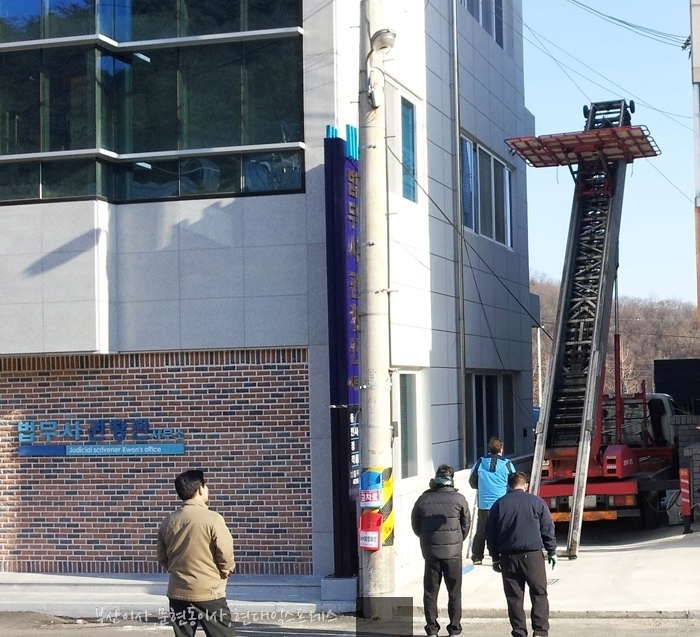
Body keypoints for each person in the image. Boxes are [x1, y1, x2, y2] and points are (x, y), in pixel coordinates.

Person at [157, 469, 237, 637]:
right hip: (208, 591)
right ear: (200, 488)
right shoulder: (213, 519)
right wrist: (226, 570)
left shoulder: (168, 521)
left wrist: (175, 571)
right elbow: (225, 552)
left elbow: (162, 557)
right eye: (206, 486)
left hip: (177, 591)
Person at [486, 472, 557, 637]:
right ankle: (540, 631)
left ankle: (519, 632)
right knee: (539, 593)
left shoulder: (499, 504)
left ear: (509, 485)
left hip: (508, 557)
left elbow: (490, 534)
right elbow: (547, 528)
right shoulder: (536, 502)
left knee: (514, 597)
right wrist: (551, 551)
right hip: (532, 556)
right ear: (526, 485)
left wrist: (495, 557)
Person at [411, 464, 471, 637]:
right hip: (453, 554)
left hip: (431, 553)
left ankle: (432, 629)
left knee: (430, 592)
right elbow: (466, 526)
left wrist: (428, 540)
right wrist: (456, 541)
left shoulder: (423, 499)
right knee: (454, 592)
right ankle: (454, 628)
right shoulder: (459, 499)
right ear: (451, 479)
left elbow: (416, 526)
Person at [468, 436, 516, 564]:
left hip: (484, 503)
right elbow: (514, 482)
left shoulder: (480, 462)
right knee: (502, 529)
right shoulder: (507, 464)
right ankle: (500, 554)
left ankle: (477, 556)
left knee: (481, 530)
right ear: (501, 449)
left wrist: (482, 487)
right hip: (502, 503)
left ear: (489, 449)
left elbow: (472, 481)